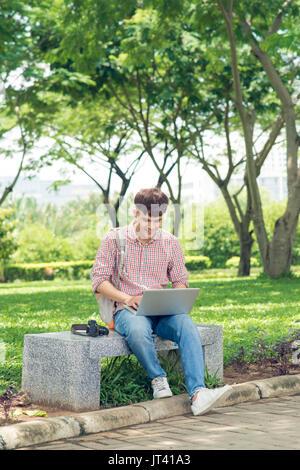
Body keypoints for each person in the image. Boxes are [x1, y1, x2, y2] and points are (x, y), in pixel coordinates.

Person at [91, 187, 231, 415]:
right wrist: (128, 297)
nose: (152, 227)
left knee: (186, 323)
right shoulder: (114, 239)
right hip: (127, 309)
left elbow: (180, 281)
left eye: (157, 221)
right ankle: (158, 378)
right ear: (135, 214)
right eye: (147, 220)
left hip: (163, 311)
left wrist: (177, 295)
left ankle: (198, 393)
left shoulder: (171, 243)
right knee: (137, 328)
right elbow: (99, 281)